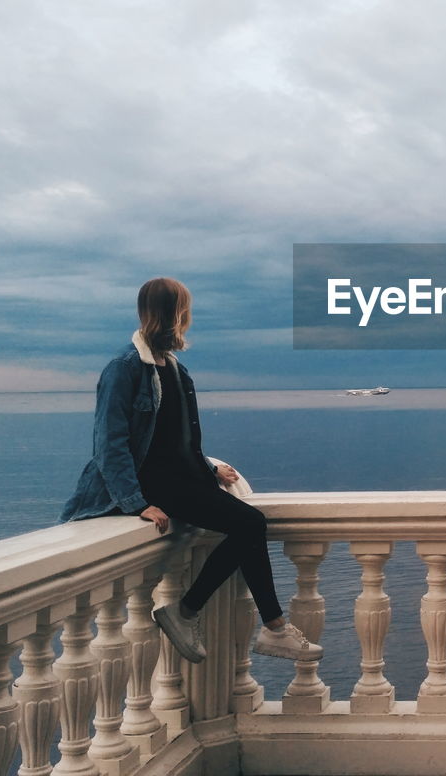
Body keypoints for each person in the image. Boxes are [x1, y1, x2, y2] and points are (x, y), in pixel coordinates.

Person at [59, 277, 321, 665]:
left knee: (248, 526)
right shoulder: (125, 369)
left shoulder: (175, 370)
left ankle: (272, 627)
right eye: (185, 309)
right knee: (249, 524)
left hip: (182, 479)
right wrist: (135, 503)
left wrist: (209, 468)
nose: (188, 317)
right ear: (173, 313)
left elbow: (177, 439)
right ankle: (197, 614)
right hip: (155, 485)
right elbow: (109, 444)